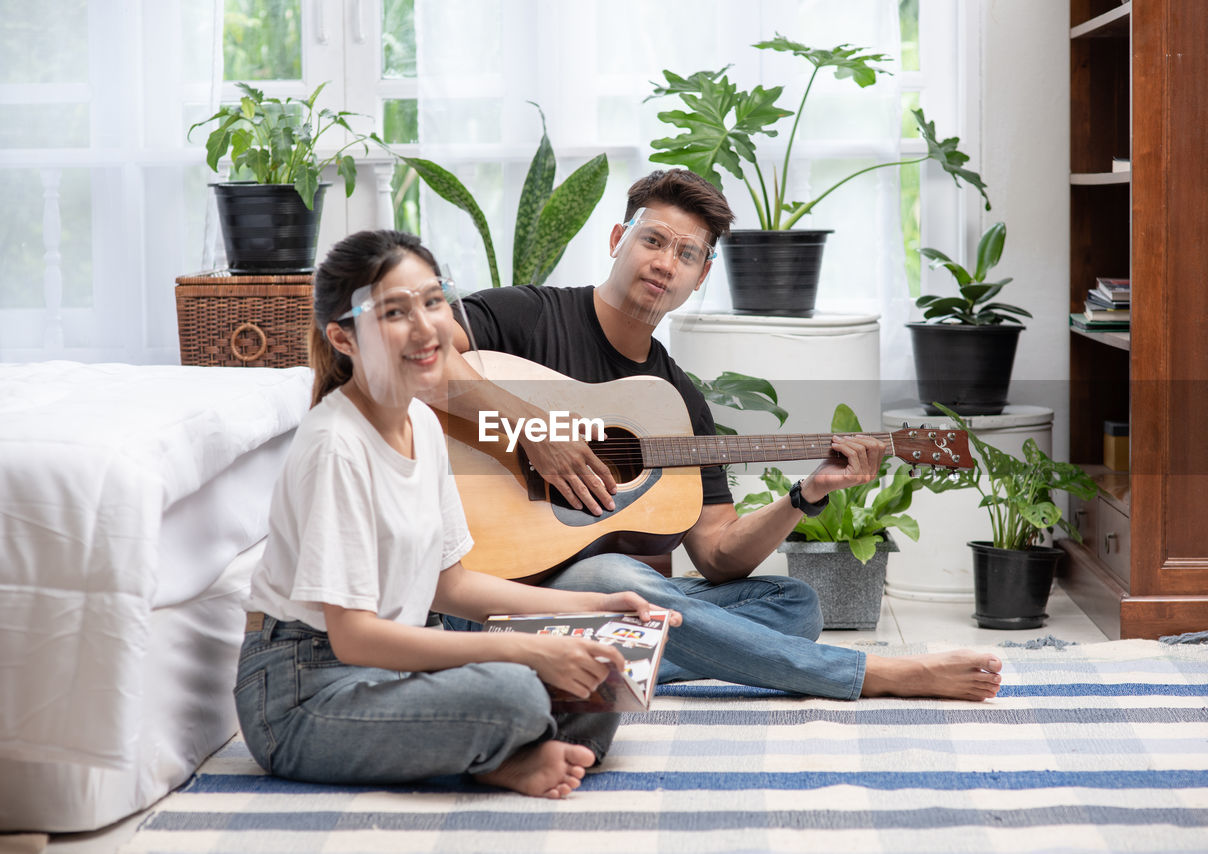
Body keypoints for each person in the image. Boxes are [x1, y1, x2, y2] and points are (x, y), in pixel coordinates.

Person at [438, 169, 1002, 703]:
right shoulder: (529, 316)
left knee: (795, 604)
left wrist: (807, 495)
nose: (666, 263)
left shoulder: (676, 403)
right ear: (618, 238)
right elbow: (418, 358)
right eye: (654, 240)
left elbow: (717, 557)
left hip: (591, 603)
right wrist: (534, 426)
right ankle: (872, 674)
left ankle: (579, 658)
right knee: (613, 574)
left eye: (686, 254)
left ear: (702, 274)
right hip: (491, 586)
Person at [233, 229, 679, 799]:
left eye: (433, 300)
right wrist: (526, 647)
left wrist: (594, 606)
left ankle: (512, 750)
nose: (426, 328)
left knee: (596, 672)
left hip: (400, 672)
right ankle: (502, 753)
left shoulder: (420, 421)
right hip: (307, 691)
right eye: (394, 312)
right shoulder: (335, 445)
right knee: (516, 690)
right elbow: (354, 640)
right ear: (344, 338)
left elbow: (453, 585)